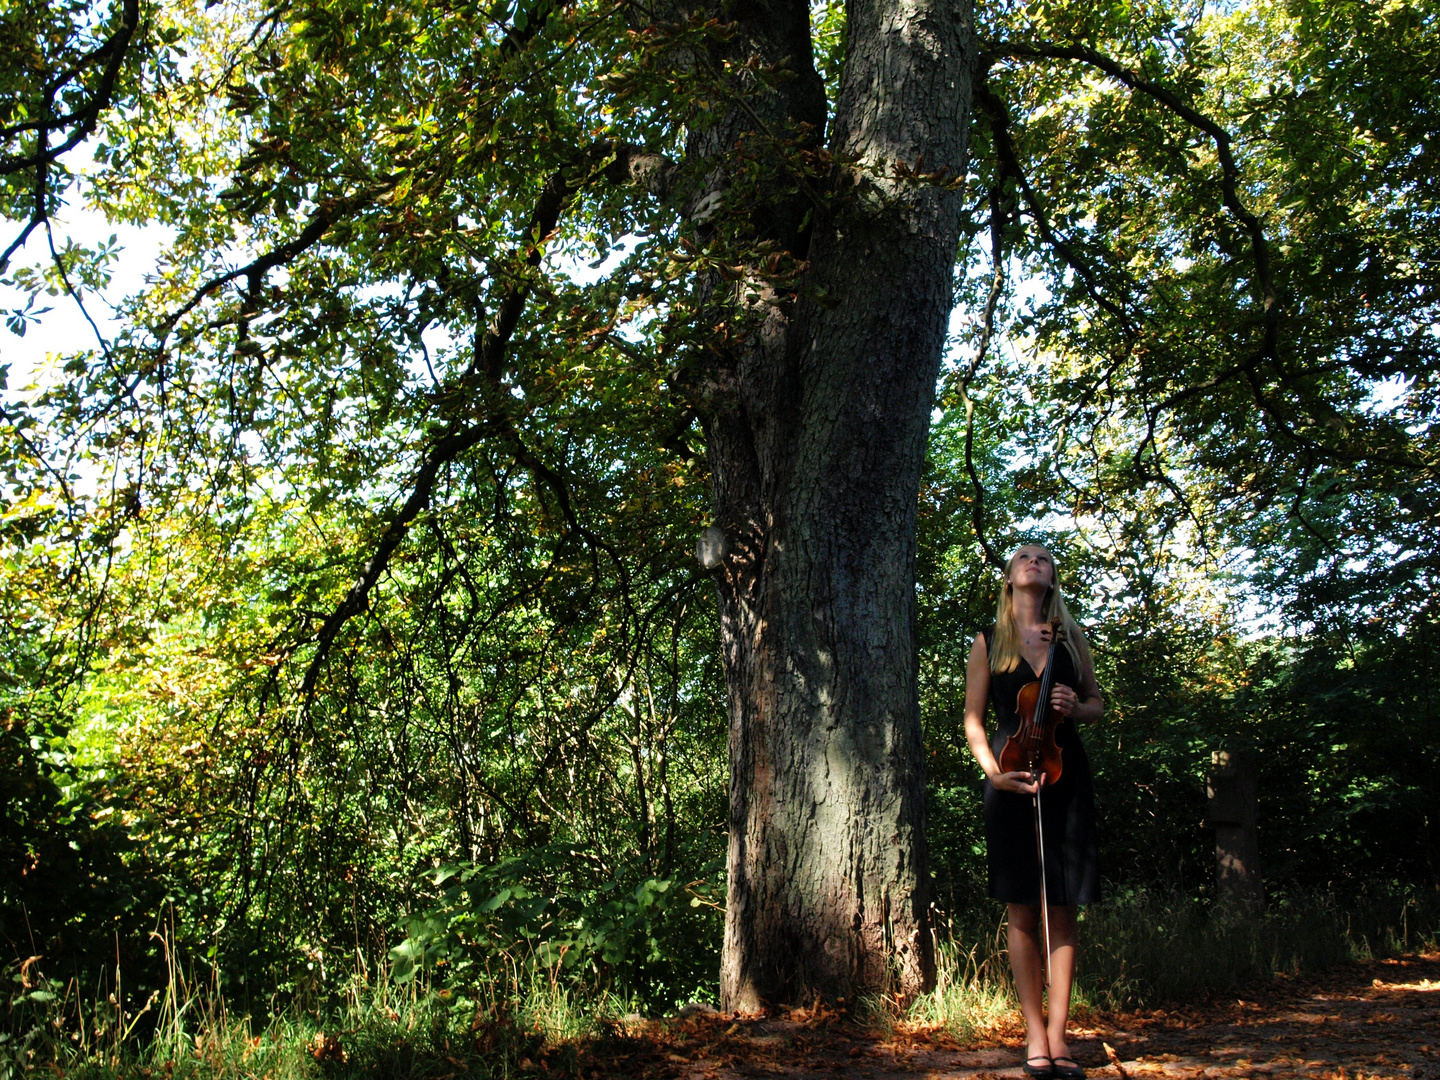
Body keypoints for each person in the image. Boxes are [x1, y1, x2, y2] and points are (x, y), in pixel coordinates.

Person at [963, 545, 1104, 1080]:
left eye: (1044, 557)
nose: (1034, 560)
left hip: (1065, 776)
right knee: (1021, 907)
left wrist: (1077, 708)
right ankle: (1034, 1035)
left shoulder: (1071, 637)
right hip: (1011, 776)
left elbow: (1097, 704)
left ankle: (1061, 1036)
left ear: (1051, 579)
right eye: (1023, 555)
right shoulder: (989, 641)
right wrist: (992, 773)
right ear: (1009, 578)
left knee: (1064, 908)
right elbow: (974, 720)